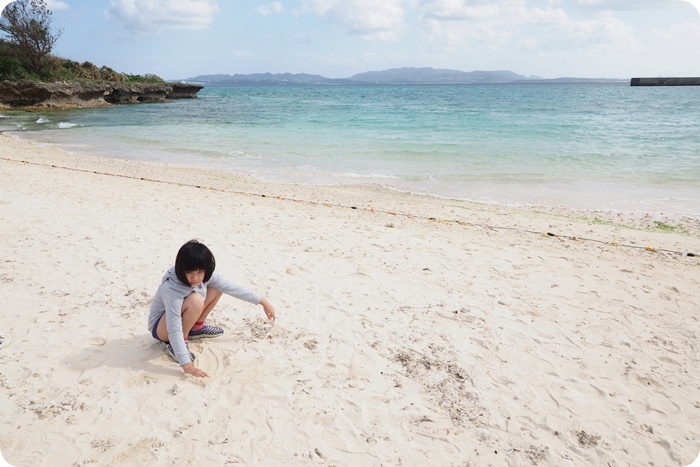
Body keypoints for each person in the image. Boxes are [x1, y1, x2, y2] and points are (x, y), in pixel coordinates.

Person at [148, 239, 275, 378]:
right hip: (161, 328)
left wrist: (262, 301)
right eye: (189, 272)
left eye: (200, 272)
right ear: (181, 269)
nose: (195, 277)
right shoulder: (172, 288)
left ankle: (196, 328)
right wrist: (188, 366)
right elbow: (173, 326)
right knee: (195, 300)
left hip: (180, 318)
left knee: (216, 289)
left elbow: (232, 288)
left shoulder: (206, 277)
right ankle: (177, 344)